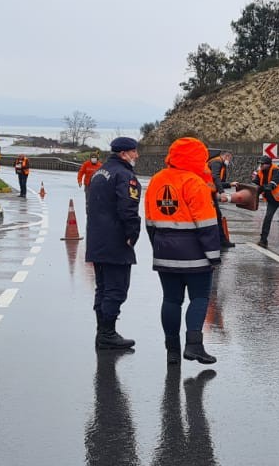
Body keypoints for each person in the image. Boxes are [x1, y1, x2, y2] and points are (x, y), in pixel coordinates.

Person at [146, 137, 222, 365]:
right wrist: (213, 256)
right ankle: (194, 345)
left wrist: (159, 247)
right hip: (195, 255)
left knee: (171, 300)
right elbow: (207, 225)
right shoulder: (195, 182)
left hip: (164, 253)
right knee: (199, 298)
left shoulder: (156, 180)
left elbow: (149, 221)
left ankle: (172, 350)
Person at [86, 137, 142, 350]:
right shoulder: (124, 175)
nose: (136, 156)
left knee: (102, 288)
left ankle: (102, 332)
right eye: (134, 152)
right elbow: (128, 207)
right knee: (117, 289)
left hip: (97, 239)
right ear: (124, 153)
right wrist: (132, 234)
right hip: (115, 239)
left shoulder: (100, 172)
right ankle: (107, 333)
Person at [206, 150, 235, 250]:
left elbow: (218, 181)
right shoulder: (217, 162)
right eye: (230, 159)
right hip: (207, 193)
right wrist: (222, 192)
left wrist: (229, 184)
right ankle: (222, 241)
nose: (229, 161)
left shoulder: (217, 163)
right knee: (216, 216)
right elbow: (215, 177)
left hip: (209, 193)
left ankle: (222, 240)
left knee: (217, 216)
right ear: (226, 156)